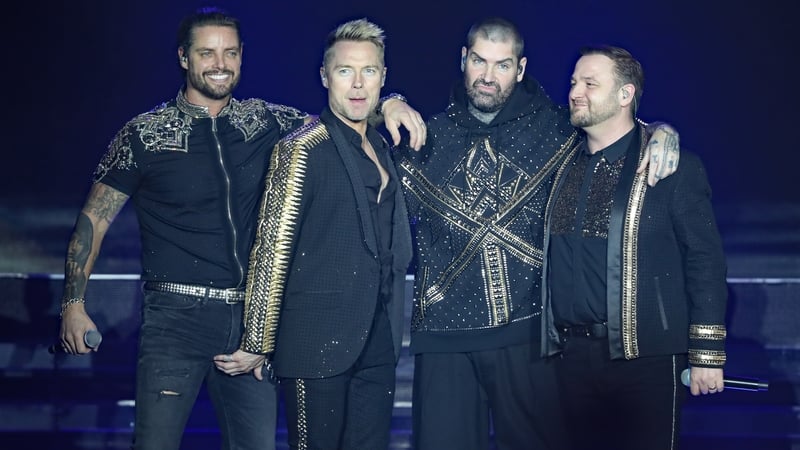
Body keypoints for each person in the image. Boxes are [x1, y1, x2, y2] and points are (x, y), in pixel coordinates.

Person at [56, 7, 424, 450]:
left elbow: (346, 111)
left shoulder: (265, 121)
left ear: (242, 57)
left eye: (230, 53)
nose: (219, 63)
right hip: (176, 320)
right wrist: (73, 303)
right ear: (183, 57)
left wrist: (391, 101)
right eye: (207, 53)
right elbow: (93, 219)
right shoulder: (144, 135)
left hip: (248, 320)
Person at [395, 17, 680, 450]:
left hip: (527, 337)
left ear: (521, 68)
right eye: (479, 61)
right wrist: (387, 102)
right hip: (443, 338)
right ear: (463, 60)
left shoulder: (557, 130)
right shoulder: (424, 136)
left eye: (503, 64)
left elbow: (615, 125)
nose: (489, 76)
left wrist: (661, 130)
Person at [540, 45, 727, 450]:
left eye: (590, 84)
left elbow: (705, 260)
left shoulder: (671, 166)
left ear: (625, 95)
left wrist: (707, 353)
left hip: (646, 359)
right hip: (568, 358)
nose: (575, 91)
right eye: (574, 82)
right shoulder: (559, 159)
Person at [237, 18, 413, 450]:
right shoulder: (301, 147)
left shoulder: (385, 144)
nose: (357, 84)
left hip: (377, 337)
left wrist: (394, 102)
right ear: (324, 76)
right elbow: (271, 245)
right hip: (315, 339)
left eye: (368, 71)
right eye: (344, 71)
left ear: (382, 77)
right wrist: (258, 339)